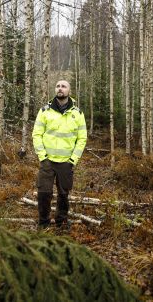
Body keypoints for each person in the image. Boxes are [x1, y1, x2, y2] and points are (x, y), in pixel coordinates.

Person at [32, 80, 87, 229]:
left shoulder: (78, 114)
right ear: (55, 90)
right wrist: (42, 157)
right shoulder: (44, 111)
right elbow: (36, 134)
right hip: (47, 161)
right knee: (43, 193)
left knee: (63, 194)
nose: (60, 89)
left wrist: (73, 160)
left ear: (69, 90)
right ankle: (43, 223)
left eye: (64, 86)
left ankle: (61, 222)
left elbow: (82, 139)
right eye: (58, 86)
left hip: (66, 163)